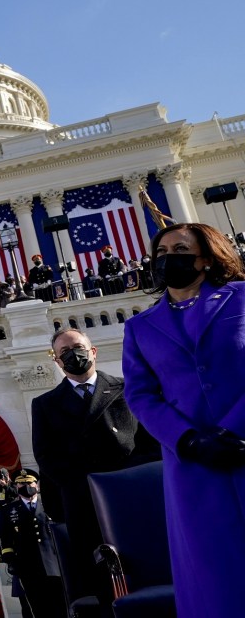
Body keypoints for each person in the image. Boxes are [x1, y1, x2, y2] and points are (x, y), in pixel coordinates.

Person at [122, 222, 245, 617]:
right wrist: (189, 440)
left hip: (242, 443)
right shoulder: (139, 327)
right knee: (214, 575)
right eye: (160, 252)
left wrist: (234, 428)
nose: (167, 258)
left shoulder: (241, 298)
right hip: (193, 465)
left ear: (205, 258)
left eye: (179, 249)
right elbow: (140, 395)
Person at [31, 328, 160, 600]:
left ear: (93, 351)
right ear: (56, 361)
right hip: (84, 503)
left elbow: (151, 443)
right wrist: (87, 483)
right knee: (100, 583)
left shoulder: (127, 389)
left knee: (148, 575)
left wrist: (126, 478)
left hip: (133, 496)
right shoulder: (45, 404)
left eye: (77, 346)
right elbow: (46, 456)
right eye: (64, 352)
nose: (72, 355)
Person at [0, 471, 64, 618]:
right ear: (16, 486)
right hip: (27, 565)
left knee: (60, 604)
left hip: (54, 564)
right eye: (22, 483)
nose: (26, 486)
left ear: (37, 485)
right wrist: (10, 558)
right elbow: (5, 537)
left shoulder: (50, 506)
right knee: (36, 606)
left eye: (30, 483)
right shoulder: (8, 510)